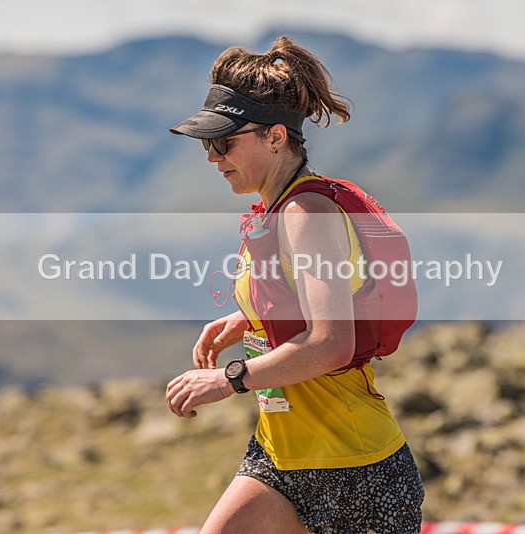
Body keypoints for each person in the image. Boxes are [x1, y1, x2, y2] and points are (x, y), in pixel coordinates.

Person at [165, 36, 424, 534]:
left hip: (355, 469)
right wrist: (248, 319)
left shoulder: (307, 213)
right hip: (279, 454)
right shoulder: (277, 210)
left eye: (224, 141)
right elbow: (308, 298)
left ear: (276, 137)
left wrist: (227, 380)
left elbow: (331, 342)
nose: (213, 157)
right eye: (206, 144)